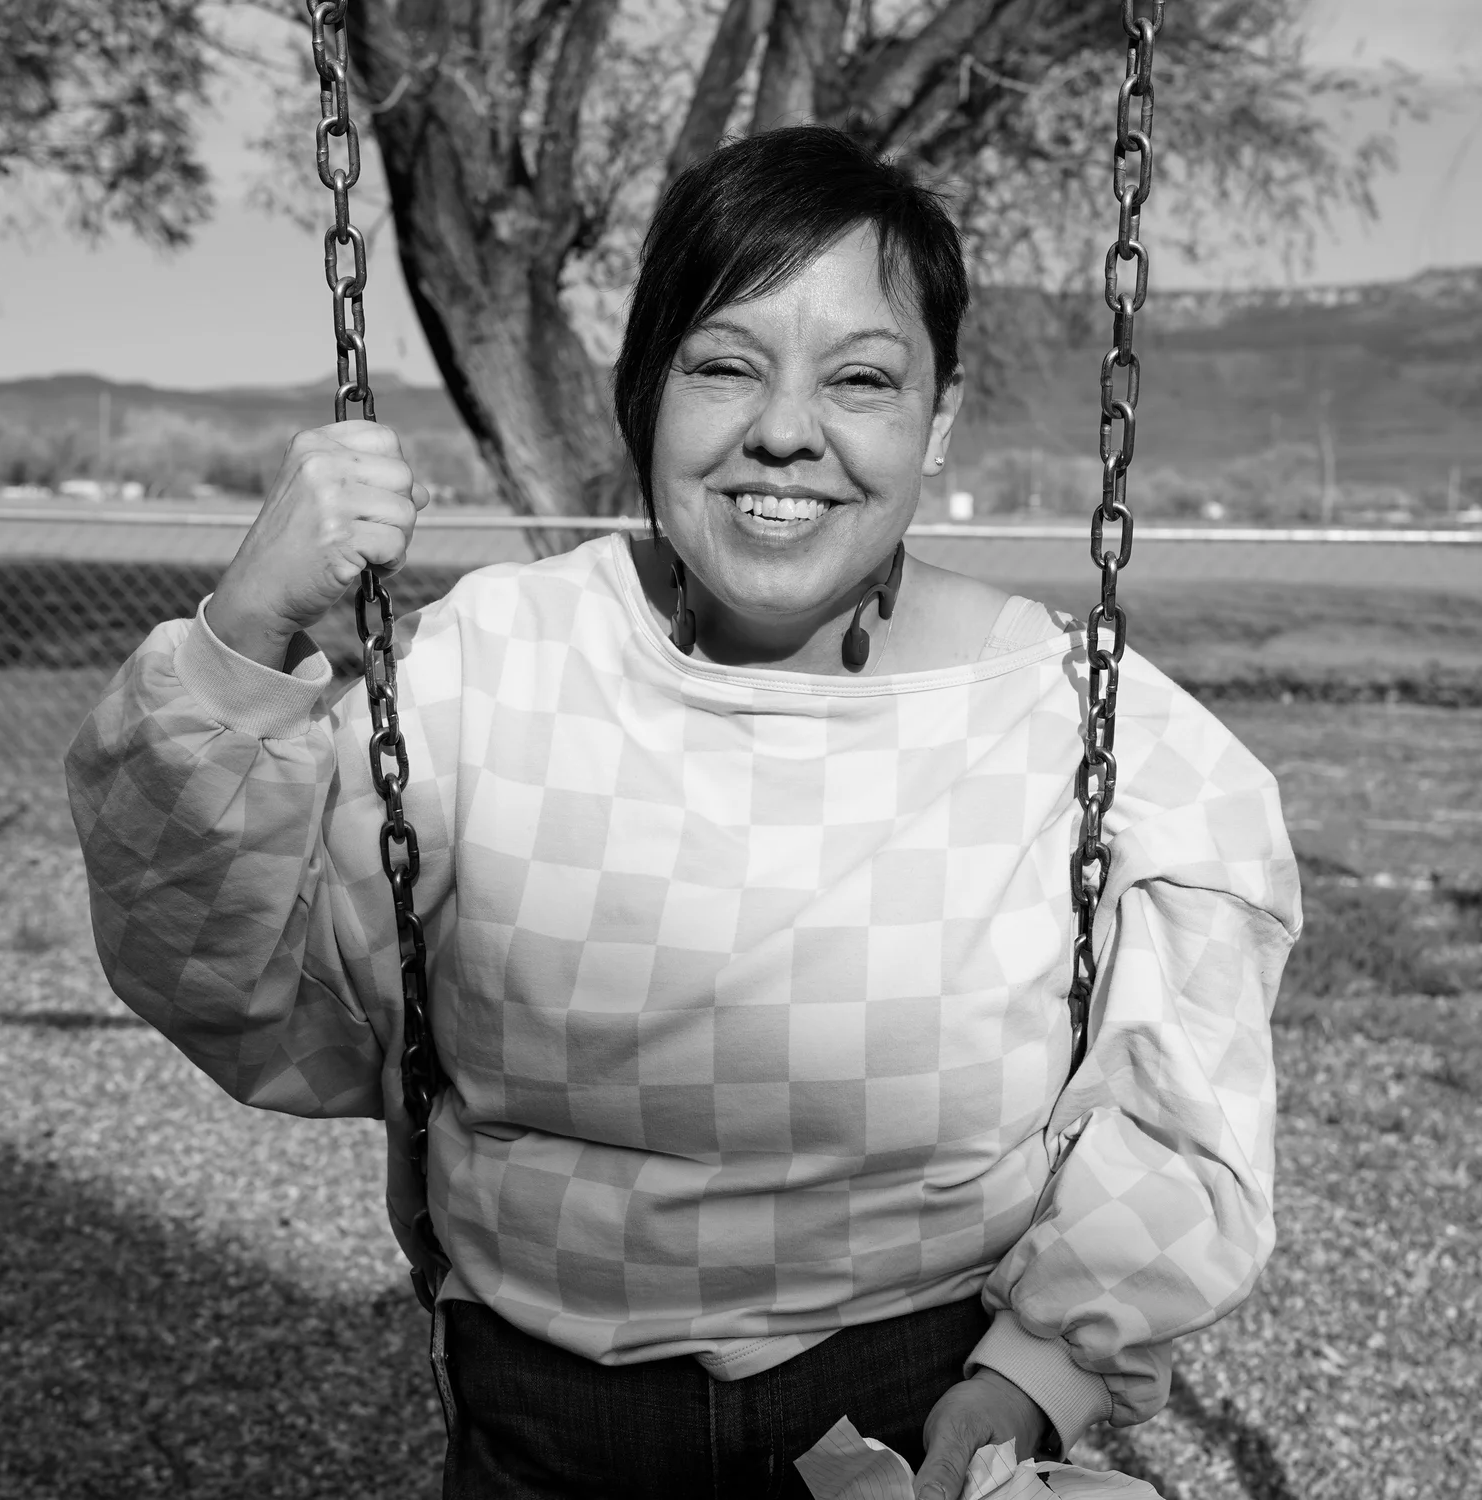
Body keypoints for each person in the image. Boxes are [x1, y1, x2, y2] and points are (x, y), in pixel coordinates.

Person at [66, 125, 1300, 1500]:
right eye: (723, 363)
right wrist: (246, 629)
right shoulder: (493, 669)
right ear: (643, 392)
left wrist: (1038, 1373)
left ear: (936, 419)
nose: (786, 429)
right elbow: (227, 977)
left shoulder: (1090, 734)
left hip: (918, 1405)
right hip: (538, 1417)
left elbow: (1173, 1122)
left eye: (862, 379)